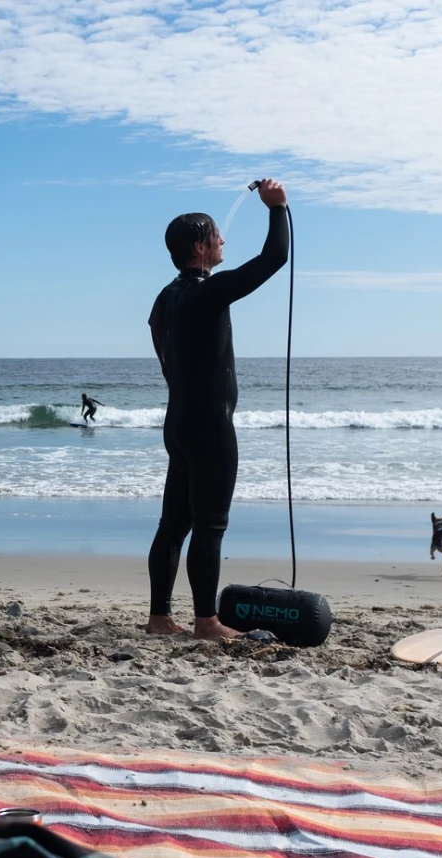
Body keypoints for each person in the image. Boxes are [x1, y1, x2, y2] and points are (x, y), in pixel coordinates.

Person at [145, 179, 289, 639]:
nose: (223, 240)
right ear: (199, 247)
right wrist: (277, 208)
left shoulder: (166, 298)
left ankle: (160, 618)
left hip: (178, 421)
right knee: (210, 525)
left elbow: (161, 346)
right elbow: (274, 258)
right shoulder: (207, 292)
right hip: (209, 426)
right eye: (216, 236)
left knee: (173, 524)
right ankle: (206, 622)